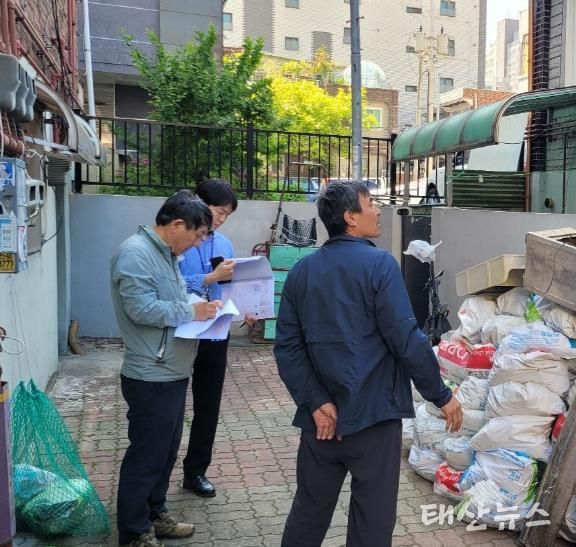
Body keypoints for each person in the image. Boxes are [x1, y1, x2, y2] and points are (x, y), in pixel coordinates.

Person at [274, 180, 463, 547]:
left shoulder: (302, 271)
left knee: (309, 511)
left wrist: (316, 401)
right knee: (372, 520)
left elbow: (287, 348)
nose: (378, 210)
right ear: (350, 217)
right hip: (373, 417)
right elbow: (405, 337)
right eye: (371, 203)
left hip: (321, 421)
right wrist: (440, 395)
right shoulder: (379, 264)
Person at [111, 191, 223, 547]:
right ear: (177, 225)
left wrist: (202, 307)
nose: (198, 243)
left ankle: (155, 514)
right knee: (147, 455)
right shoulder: (135, 254)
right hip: (150, 373)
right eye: (197, 235)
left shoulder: (166, 254)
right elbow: (141, 309)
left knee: (165, 451)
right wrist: (192, 312)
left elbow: (171, 300)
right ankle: (133, 531)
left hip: (172, 370)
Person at [178, 178, 254, 497]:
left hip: (215, 333)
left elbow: (230, 286)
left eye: (227, 215)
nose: (221, 219)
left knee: (208, 405)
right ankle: (156, 474)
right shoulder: (179, 239)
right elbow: (171, 284)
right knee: (170, 408)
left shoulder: (223, 244)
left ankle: (196, 471)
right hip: (180, 332)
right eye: (218, 211)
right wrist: (210, 277)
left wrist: (246, 307)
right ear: (198, 203)